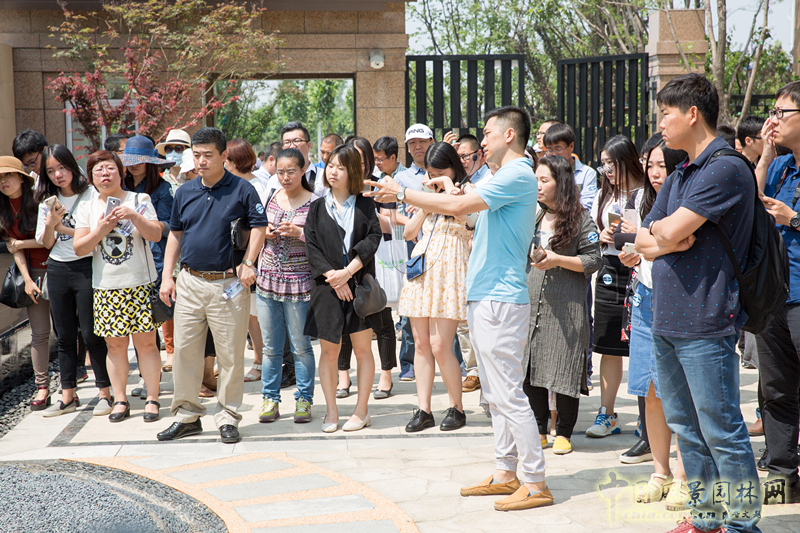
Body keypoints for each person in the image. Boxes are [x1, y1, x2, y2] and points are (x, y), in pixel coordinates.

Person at [367, 105, 554, 511]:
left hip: (501, 299)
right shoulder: (503, 177)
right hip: (486, 294)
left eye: (487, 133)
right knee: (494, 393)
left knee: (506, 393)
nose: (480, 141)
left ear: (509, 135)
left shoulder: (518, 174)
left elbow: (457, 211)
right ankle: (507, 473)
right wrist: (452, 196)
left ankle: (536, 482)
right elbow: (468, 218)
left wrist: (403, 193)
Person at [635, 73, 760, 533]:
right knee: (687, 430)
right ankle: (706, 520)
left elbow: (662, 234)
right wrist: (666, 236)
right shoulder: (682, 170)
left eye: (666, 114)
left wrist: (666, 235)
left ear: (692, 114)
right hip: (665, 317)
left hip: (707, 318)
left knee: (722, 431)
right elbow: (646, 233)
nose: (660, 124)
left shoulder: (724, 167)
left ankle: (744, 526)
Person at [157, 127, 267, 444]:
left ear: (222, 156)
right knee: (185, 354)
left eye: (208, 155)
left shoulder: (243, 190)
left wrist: (248, 263)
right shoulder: (185, 191)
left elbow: (259, 227)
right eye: (197, 154)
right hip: (190, 281)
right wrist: (168, 275)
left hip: (228, 283)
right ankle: (187, 415)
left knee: (230, 355)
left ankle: (228, 416)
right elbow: (175, 234)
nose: (201, 161)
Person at [618, 138, 689, 510]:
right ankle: (659, 472)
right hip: (645, 298)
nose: (655, 172)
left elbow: (681, 242)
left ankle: (683, 475)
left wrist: (649, 244)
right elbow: (640, 247)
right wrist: (634, 254)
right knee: (649, 390)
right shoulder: (641, 202)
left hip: (677, 300)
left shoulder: (688, 202)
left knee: (676, 391)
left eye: (662, 164)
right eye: (650, 164)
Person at [73, 150, 164, 423]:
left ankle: (153, 398)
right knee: (115, 346)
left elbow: (157, 234)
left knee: (146, 344)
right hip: (107, 287)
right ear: (91, 177)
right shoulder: (87, 207)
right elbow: (79, 248)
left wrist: (135, 216)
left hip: (140, 283)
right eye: (98, 170)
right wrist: (101, 229)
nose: (104, 173)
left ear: (121, 171)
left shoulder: (140, 199)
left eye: (110, 168)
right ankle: (120, 398)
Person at [522, 154, 600, 454]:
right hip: (532, 301)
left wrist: (557, 260)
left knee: (565, 366)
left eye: (545, 180)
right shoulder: (534, 215)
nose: (538, 186)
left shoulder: (581, 219)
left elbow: (594, 260)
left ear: (562, 183)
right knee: (532, 364)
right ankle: (539, 429)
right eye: (536, 179)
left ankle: (564, 431)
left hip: (566, 306)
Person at [304, 143, 381, 433]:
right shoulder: (317, 207)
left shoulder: (364, 205)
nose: (333, 171)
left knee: (362, 350)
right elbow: (311, 247)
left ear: (353, 172)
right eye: (330, 166)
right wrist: (334, 278)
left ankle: (362, 410)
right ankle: (331, 411)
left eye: (341, 167)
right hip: (326, 289)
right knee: (329, 352)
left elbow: (373, 239)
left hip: (359, 285)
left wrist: (347, 273)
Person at [399, 142, 474, 432]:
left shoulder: (465, 194)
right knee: (420, 344)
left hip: (449, 273)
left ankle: (457, 407)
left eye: (440, 172)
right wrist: (425, 203)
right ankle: (424, 409)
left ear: (454, 169)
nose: (434, 178)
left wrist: (446, 190)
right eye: (430, 173)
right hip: (421, 273)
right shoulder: (427, 198)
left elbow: (470, 222)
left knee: (441, 344)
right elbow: (409, 232)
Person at [34, 146, 113, 417]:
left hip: (87, 266)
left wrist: (61, 226)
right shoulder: (47, 200)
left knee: (92, 333)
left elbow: (95, 234)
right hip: (57, 268)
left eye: (62, 168)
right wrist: (49, 225)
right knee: (65, 336)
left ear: (72, 166)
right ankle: (68, 395)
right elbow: (45, 243)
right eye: (51, 171)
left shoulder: (91, 195)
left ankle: (105, 392)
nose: (58, 175)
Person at [752, 80, 800, 504]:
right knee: (776, 389)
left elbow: (785, 217)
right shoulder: (782, 167)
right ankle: (783, 475)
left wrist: (795, 219)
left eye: (783, 113)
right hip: (776, 296)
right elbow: (751, 200)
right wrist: (765, 156)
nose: (774, 119)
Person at [584, 135, 644, 439]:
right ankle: (606, 413)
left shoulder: (648, 191)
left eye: (611, 163)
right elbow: (592, 237)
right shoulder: (602, 195)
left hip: (642, 270)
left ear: (627, 160)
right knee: (609, 345)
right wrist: (603, 235)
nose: (606, 169)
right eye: (603, 163)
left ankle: (647, 417)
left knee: (641, 345)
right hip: (610, 269)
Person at [256, 148, 318, 424]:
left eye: (291, 171)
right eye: (280, 172)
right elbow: (255, 232)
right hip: (267, 280)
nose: (285, 177)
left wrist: (300, 233)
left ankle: (304, 400)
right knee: (270, 347)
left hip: (299, 283)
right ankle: (270, 399)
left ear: (303, 170)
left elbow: (323, 242)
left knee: (301, 346)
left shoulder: (315, 202)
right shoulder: (270, 197)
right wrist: (265, 233)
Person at [337, 137, 397, 400]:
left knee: (380, 317)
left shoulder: (378, 184)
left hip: (374, 258)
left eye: (362, 160)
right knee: (345, 320)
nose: (357, 165)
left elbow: (392, 223)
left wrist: (367, 206)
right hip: (343, 261)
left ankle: (386, 374)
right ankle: (343, 375)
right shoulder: (337, 185)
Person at [118, 135, 174, 393]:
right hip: (124, 260)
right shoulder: (120, 186)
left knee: (151, 321)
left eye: (141, 160)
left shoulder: (162, 189)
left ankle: (149, 377)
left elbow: (169, 226)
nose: (135, 165)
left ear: (150, 162)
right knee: (134, 323)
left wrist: (149, 224)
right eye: (130, 160)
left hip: (155, 260)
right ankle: (144, 374)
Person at [0, 157, 52, 411]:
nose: (3, 182)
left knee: (68, 329)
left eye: (8, 176)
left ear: (22, 177)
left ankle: (72, 383)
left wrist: (21, 244)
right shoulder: (2, 210)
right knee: (39, 333)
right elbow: (14, 248)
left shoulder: (40, 201)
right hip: (32, 273)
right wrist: (28, 281)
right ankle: (42, 387)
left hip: (58, 268)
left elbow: (49, 241)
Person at [393, 124, 436, 382]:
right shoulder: (402, 179)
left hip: (444, 245)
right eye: (412, 143)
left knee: (445, 306)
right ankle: (408, 363)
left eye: (421, 141)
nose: (417, 147)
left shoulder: (445, 171)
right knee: (412, 305)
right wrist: (412, 222)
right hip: (415, 249)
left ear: (432, 141)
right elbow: (393, 214)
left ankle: (458, 362)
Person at [224, 139, 268, 384]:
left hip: (252, 256)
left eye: (226, 159)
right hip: (233, 255)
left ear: (235, 161)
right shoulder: (232, 184)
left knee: (254, 314)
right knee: (239, 312)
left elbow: (260, 225)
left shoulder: (256, 186)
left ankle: (261, 362)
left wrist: (249, 260)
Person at [279, 122, 325, 197]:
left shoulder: (322, 177)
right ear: (283, 148)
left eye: (297, 141)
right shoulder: (275, 180)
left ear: (309, 145)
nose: (292, 146)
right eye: (287, 142)